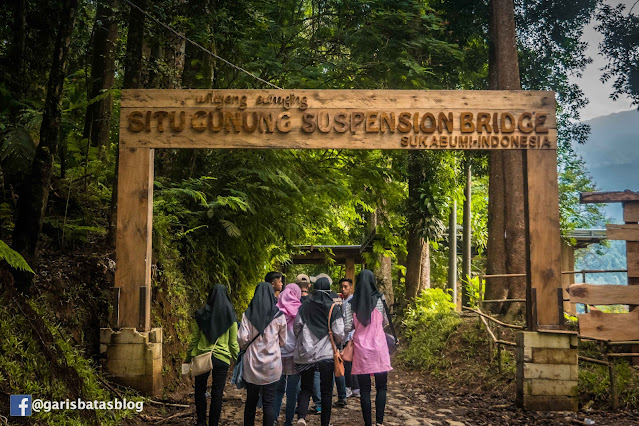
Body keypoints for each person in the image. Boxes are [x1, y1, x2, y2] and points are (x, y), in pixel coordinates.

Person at [185, 284, 239, 426]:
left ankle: (202, 422)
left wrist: (187, 358)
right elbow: (233, 344)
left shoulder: (201, 315)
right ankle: (213, 423)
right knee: (217, 394)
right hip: (222, 359)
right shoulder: (231, 316)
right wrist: (238, 361)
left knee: (200, 391)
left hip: (202, 358)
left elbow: (194, 340)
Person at [343, 270, 392, 426]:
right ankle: (379, 422)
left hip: (361, 349)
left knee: (364, 390)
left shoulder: (351, 303)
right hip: (379, 348)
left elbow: (347, 327)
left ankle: (368, 424)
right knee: (381, 387)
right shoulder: (380, 298)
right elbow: (384, 322)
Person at [294, 277, 345, 426]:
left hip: (306, 354)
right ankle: (325, 422)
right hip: (327, 355)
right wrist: (336, 341)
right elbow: (339, 332)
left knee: (306, 387)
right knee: (327, 391)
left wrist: (302, 339)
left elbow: (297, 326)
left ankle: (301, 418)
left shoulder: (304, 307)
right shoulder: (333, 308)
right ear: (329, 290)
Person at [238, 282, 287, 426]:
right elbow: (283, 341)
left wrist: (245, 347)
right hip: (272, 365)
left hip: (252, 365)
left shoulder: (248, 314)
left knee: (251, 402)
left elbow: (242, 338)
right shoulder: (278, 315)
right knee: (269, 403)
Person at [273, 284, 303, 426]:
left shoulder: (276, 310)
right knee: (292, 391)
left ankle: (273, 417)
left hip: (278, 353)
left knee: (278, 389)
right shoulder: (299, 310)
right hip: (294, 355)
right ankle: (289, 421)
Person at [335, 277, 358, 405]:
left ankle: (350, 387)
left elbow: (348, 322)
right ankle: (354, 388)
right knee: (350, 362)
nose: (343, 289)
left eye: (346, 287)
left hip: (350, 335)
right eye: (342, 287)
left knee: (348, 363)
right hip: (347, 335)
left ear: (351, 287)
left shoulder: (351, 302)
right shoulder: (344, 301)